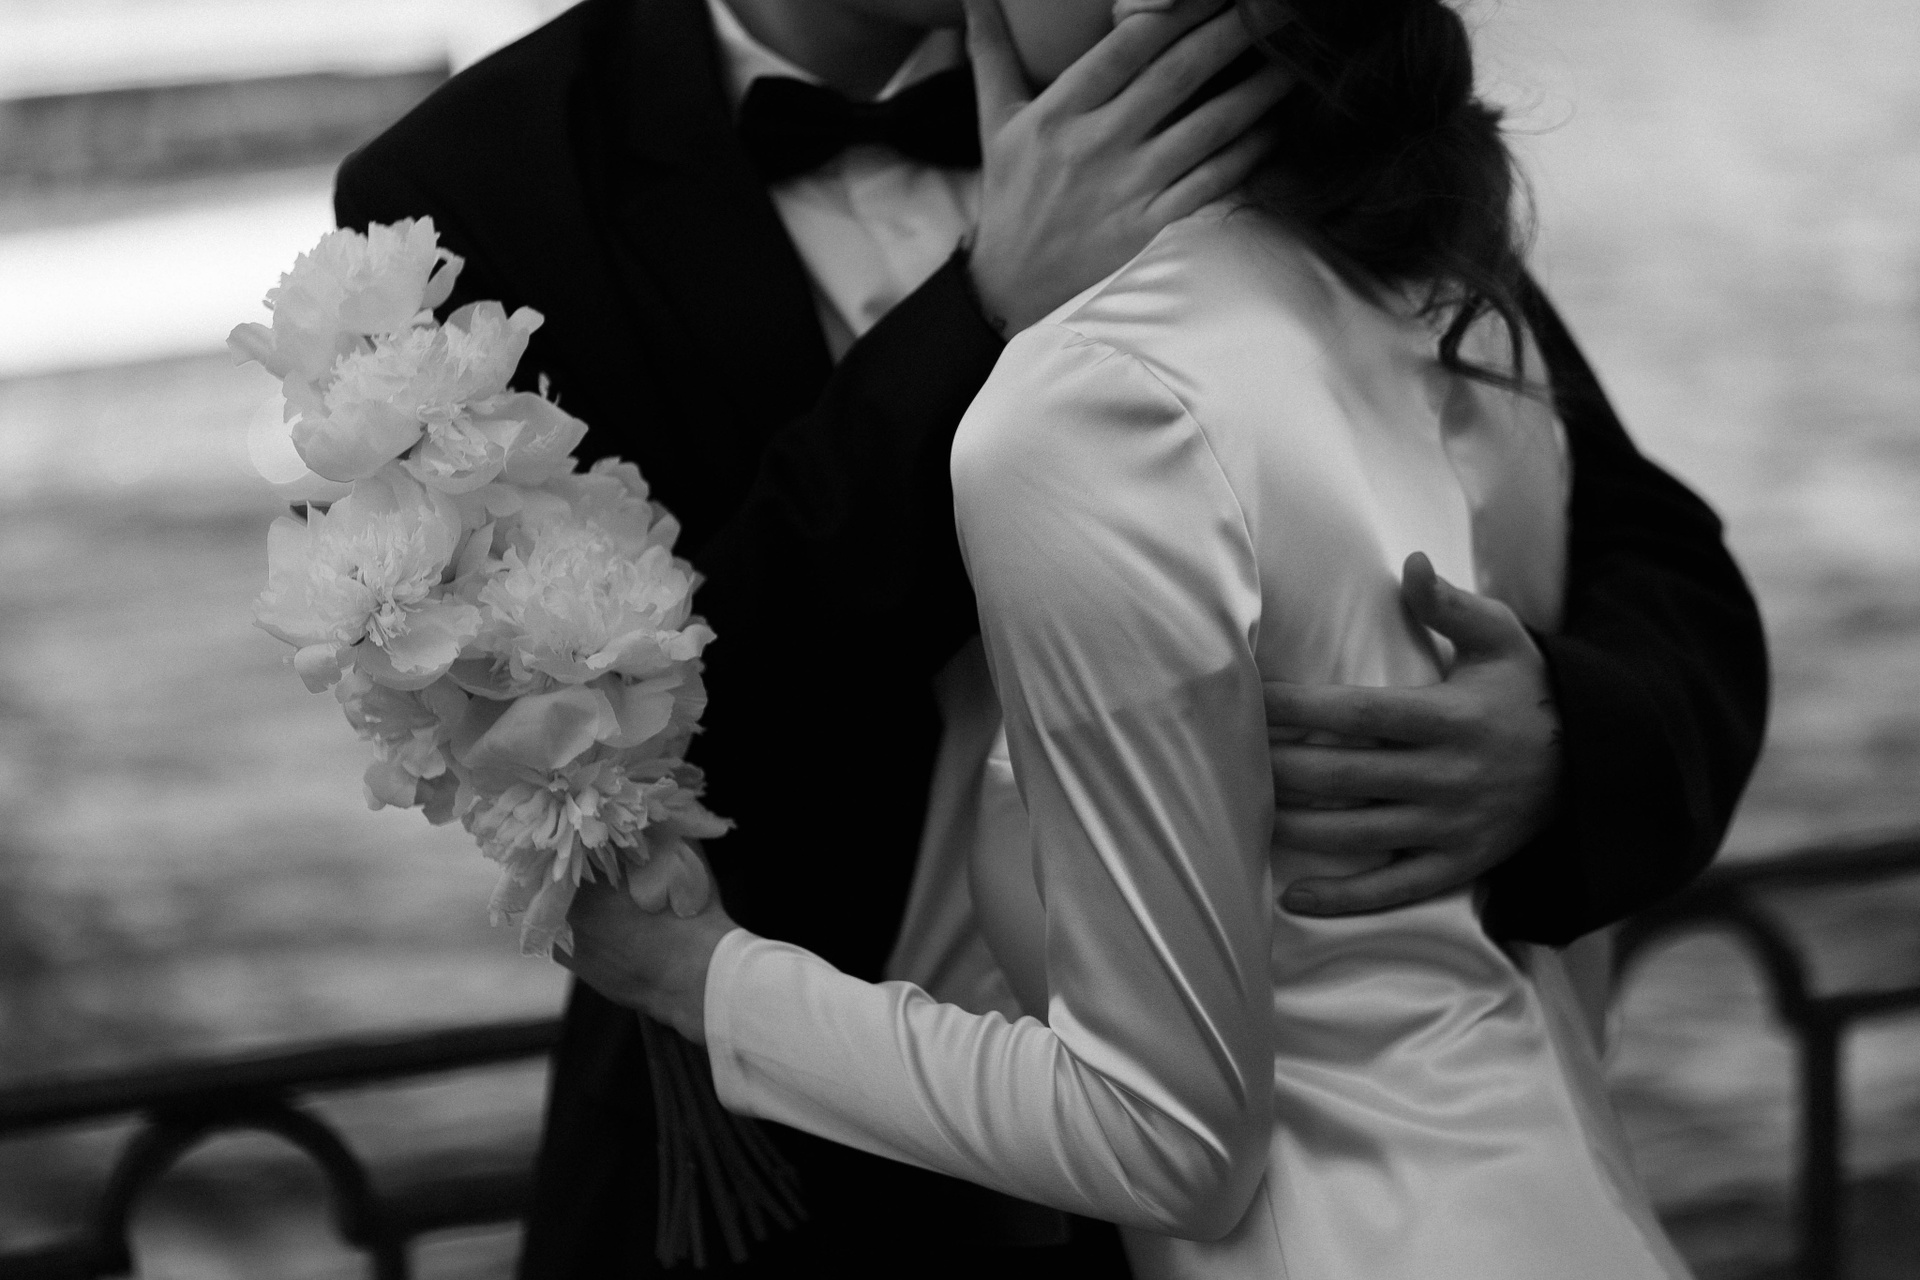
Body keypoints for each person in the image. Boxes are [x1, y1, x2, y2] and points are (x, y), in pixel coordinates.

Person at [334, 0, 1767, 1274]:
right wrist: (974, 315)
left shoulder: (1219, 67)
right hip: (786, 1185)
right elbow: (642, 737)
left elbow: (1628, 532)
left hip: (1251, 1183)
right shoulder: (473, 184)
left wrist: (1561, 742)